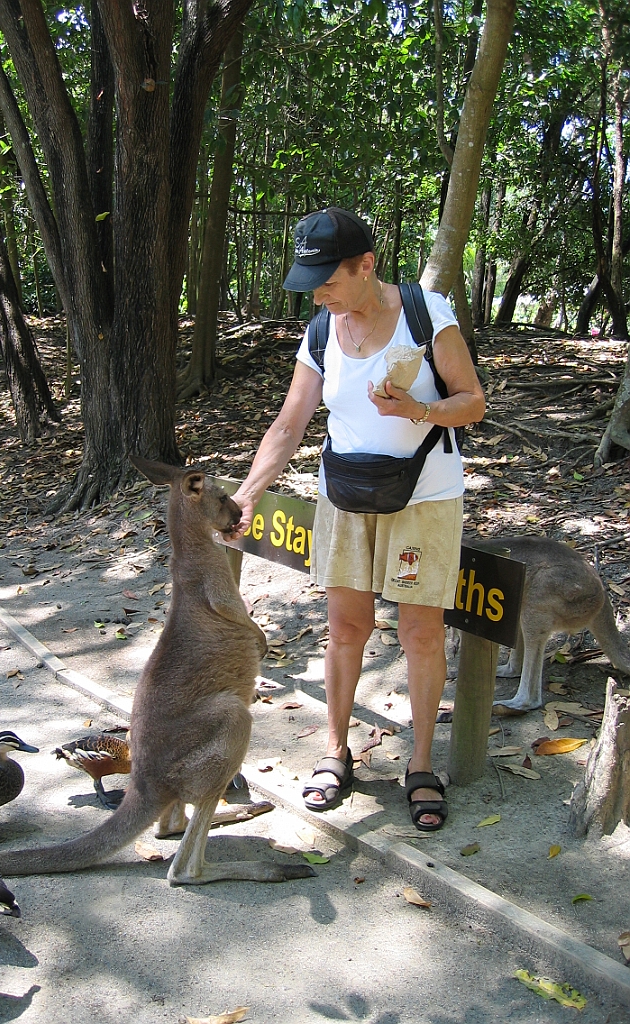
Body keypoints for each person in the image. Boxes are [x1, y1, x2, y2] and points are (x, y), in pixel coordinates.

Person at [228, 207, 485, 831]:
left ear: (366, 266)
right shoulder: (320, 333)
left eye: (329, 280)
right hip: (345, 494)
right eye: (312, 283)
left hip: (424, 497)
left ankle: (421, 766)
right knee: (345, 626)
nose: (320, 294)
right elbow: (290, 422)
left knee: (421, 631)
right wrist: (248, 493)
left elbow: (472, 403)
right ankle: (335, 752)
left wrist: (416, 411)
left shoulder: (427, 316)